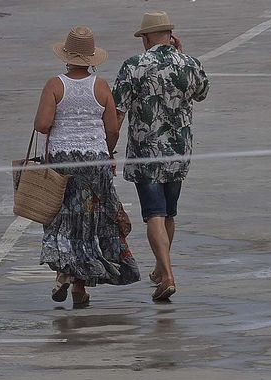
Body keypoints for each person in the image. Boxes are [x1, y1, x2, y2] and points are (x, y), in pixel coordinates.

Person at [33, 27, 140, 309]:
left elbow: (42, 125)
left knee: (62, 219)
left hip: (63, 161)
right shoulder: (102, 86)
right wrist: (107, 153)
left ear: (66, 56)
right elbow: (113, 129)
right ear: (92, 58)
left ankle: (63, 273)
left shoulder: (55, 85)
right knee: (90, 222)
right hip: (95, 161)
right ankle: (79, 290)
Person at [112, 12, 209, 304]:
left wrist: (108, 146)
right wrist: (182, 56)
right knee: (169, 212)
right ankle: (160, 266)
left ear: (145, 38)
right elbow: (203, 92)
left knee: (153, 213)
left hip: (146, 152)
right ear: (170, 35)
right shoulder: (189, 63)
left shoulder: (134, 65)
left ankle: (167, 275)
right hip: (179, 151)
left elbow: (117, 111)